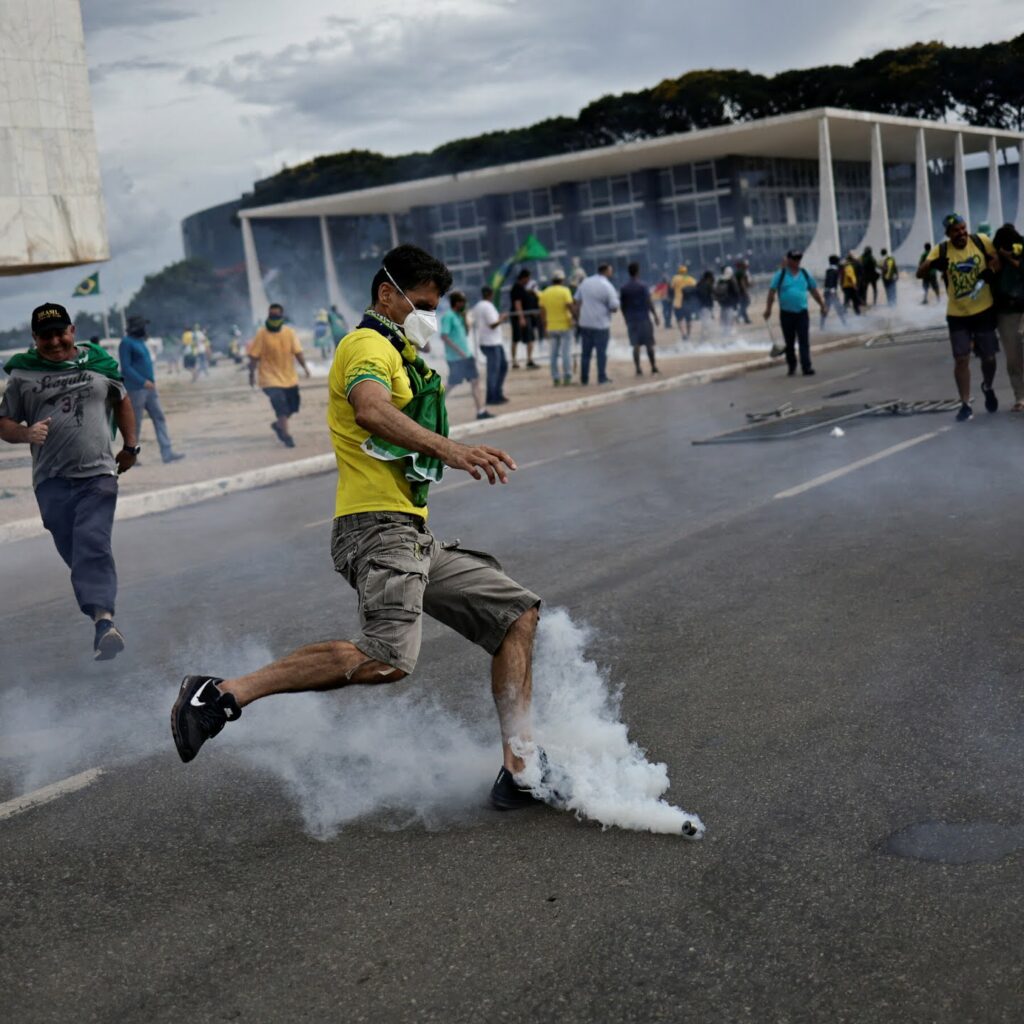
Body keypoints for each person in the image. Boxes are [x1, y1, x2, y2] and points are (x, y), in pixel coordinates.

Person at [170, 244, 554, 813]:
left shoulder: (403, 353)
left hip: (412, 532)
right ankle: (219, 694)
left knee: (514, 614)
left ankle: (520, 771)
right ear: (386, 294)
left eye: (435, 306)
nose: (429, 316)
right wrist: (453, 450)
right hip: (374, 529)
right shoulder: (366, 345)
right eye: (421, 303)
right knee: (386, 657)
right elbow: (371, 410)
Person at [0, 303, 139, 660]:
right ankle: (99, 616)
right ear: (35, 339)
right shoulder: (22, 377)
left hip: (98, 474)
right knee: (75, 553)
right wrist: (25, 433)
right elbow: (3, 423)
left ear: (73, 331)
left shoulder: (99, 366)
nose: (55, 341)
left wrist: (131, 447)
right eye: (46, 336)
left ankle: (105, 621)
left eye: (61, 332)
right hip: (51, 482)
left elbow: (122, 400)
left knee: (92, 542)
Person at [917, 212, 1001, 423]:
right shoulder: (942, 250)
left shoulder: (980, 241)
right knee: (961, 358)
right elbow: (920, 272)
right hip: (957, 314)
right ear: (948, 233)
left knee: (989, 358)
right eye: (956, 231)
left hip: (983, 310)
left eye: (963, 228)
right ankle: (965, 404)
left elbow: (997, 260)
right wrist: (929, 266)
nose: (962, 233)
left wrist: (991, 270)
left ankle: (987, 386)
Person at [118, 314, 184, 465]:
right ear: (135, 327)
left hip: (150, 389)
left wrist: (150, 382)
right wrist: (142, 381)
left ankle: (167, 453)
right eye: (142, 326)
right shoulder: (126, 343)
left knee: (159, 418)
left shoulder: (141, 342)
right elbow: (126, 368)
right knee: (135, 423)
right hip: (136, 389)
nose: (145, 329)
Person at [248, 302, 312, 447]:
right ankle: (286, 435)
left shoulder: (289, 332)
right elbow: (253, 357)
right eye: (271, 315)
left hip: (289, 378)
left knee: (293, 406)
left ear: (282, 316)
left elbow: (298, 352)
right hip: (269, 378)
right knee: (280, 405)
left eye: (277, 315)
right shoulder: (261, 334)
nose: (274, 318)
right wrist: (251, 375)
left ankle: (278, 425)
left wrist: (305, 368)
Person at [763, 250, 827, 377]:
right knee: (790, 342)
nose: (797, 261)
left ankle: (806, 366)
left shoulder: (804, 273)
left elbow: (814, 291)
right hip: (786, 314)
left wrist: (822, 305)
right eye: (794, 258)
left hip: (802, 313)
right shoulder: (780, 275)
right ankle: (792, 366)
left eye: (799, 258)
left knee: (804, 340)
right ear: (788, 260)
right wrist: (768, 309)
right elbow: (772, 292)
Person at [440, 291, 491, 420]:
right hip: (456, 358)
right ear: (457, 303)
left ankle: (481, 411)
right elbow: (444, 336)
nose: (465, 304)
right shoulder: (449, 316)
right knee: (452, 384)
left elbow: (466, 334)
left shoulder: (459, 316)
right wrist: (459, 352)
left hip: (466, 356)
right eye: (463, 302)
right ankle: (433, 402)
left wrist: (465, 318)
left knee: (475, 381)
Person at [991, 224, 1024, 412]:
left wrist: (1009, 258)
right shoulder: (993, 258)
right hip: (1005, 313)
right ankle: (1020, 396)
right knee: (1013, 358)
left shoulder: (1021, 250)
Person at [574, 263, 619, 385]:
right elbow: (614, 306)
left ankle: (584, 379)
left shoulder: (585, 282)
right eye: (611, 271)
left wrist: (577, 319)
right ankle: (601, 377)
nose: (612, 273)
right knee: (601, 353)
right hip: (601, 325)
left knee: (585, 354)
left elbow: (577, 302)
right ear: (606, 271)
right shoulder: (607, 286)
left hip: (585, 323)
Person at [471, 285, 509, 405]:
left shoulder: (478, 306)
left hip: (489, 341)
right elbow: (492, 324)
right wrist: (502, 318)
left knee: (501, 367)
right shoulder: (488, 306)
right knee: (495, 370)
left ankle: (497, 393)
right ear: (491, 294)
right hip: (492, 342)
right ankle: (493, 396)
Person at [620, 261, 659, 376]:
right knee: (649, 344)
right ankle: (653, 367)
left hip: (632, 320)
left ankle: (638, 368)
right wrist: (655, 315)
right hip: (644, 319)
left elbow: (623, 306)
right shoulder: (643, 286)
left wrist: (626, 318)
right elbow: (649, 302)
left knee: (635, 346)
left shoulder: (624, 288)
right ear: (638, 271)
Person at [538, 269, 576, 385]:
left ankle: (555, 378)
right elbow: (569, 306)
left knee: (553, 354)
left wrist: (544, 326)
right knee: (566, 353)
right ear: (562, 280)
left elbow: (542, 312)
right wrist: (576, 317)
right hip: (565, 325)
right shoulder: (565, 291)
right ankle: (567, 377)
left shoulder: (545, 293)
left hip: (551, 326)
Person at [509, 269, 538, 369]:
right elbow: (517, 303)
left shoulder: (522, 288)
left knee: (529, 338)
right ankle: (515, 361)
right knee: (516, 338)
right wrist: (521, 318)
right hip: (520, 317)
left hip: (525, 315)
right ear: (524, 278)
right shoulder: (517, 287)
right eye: (528, 278)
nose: (528, 280)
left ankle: (529, 359)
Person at [670, 264, 696, 339]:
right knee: (689, 319)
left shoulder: (675, 278)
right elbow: (695, 287)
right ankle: (688, 334)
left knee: (679, 319)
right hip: (688, 302)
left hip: (677, 302)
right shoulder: (690, 279)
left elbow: (671, 287)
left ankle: (683, 334)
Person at [821, 255, 847, 329]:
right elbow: (831, 281)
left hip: (827, 292)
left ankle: (822, 325)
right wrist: (832, 291)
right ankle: (845, 324)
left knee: (827, 308)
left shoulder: (829, 270)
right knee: (838, 308)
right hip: (831, 292)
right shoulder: (834, 270)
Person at [713, 266, 740, 333]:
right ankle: (729, 331)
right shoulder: (732, 280)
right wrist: (736, 302)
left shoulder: (720, 280)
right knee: (730, 317)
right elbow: (736, 291)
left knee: (723, 317)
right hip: (730, 302)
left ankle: (724, 331)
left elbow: (716, 291)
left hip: (722, 302)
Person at [694, 271, 715, 340]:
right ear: (708, 277)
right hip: (706, 305)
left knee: (704, 321)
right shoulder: (708, 284)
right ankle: (705, 337)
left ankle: (703, 336)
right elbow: (712, 294)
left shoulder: (699, 283)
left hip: (700, 306)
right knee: (706, 322)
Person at [734, 259, 752, 324]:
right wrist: (745, 291)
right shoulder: (741, 272)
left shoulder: (737, 272)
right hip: (742, 291)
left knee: (743, 305)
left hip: (738, 291)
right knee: (746, 303)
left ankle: (746, 319)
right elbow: (742, 283)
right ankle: (738, 315)